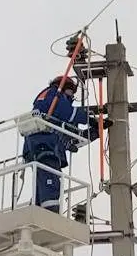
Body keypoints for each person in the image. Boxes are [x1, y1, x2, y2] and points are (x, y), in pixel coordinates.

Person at [22, 75, 112, 214]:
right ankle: (50, 214)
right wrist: (90, 120)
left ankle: (36, 210)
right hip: (44, 144)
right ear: (62, 87)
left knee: (43, 181)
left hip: (42, 145)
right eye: (71, 91)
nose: (72, 96)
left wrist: (96, 131)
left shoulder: (55, 115)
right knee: (50, 180)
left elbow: (74, 138)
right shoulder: (54, 95)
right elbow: (68, 113)